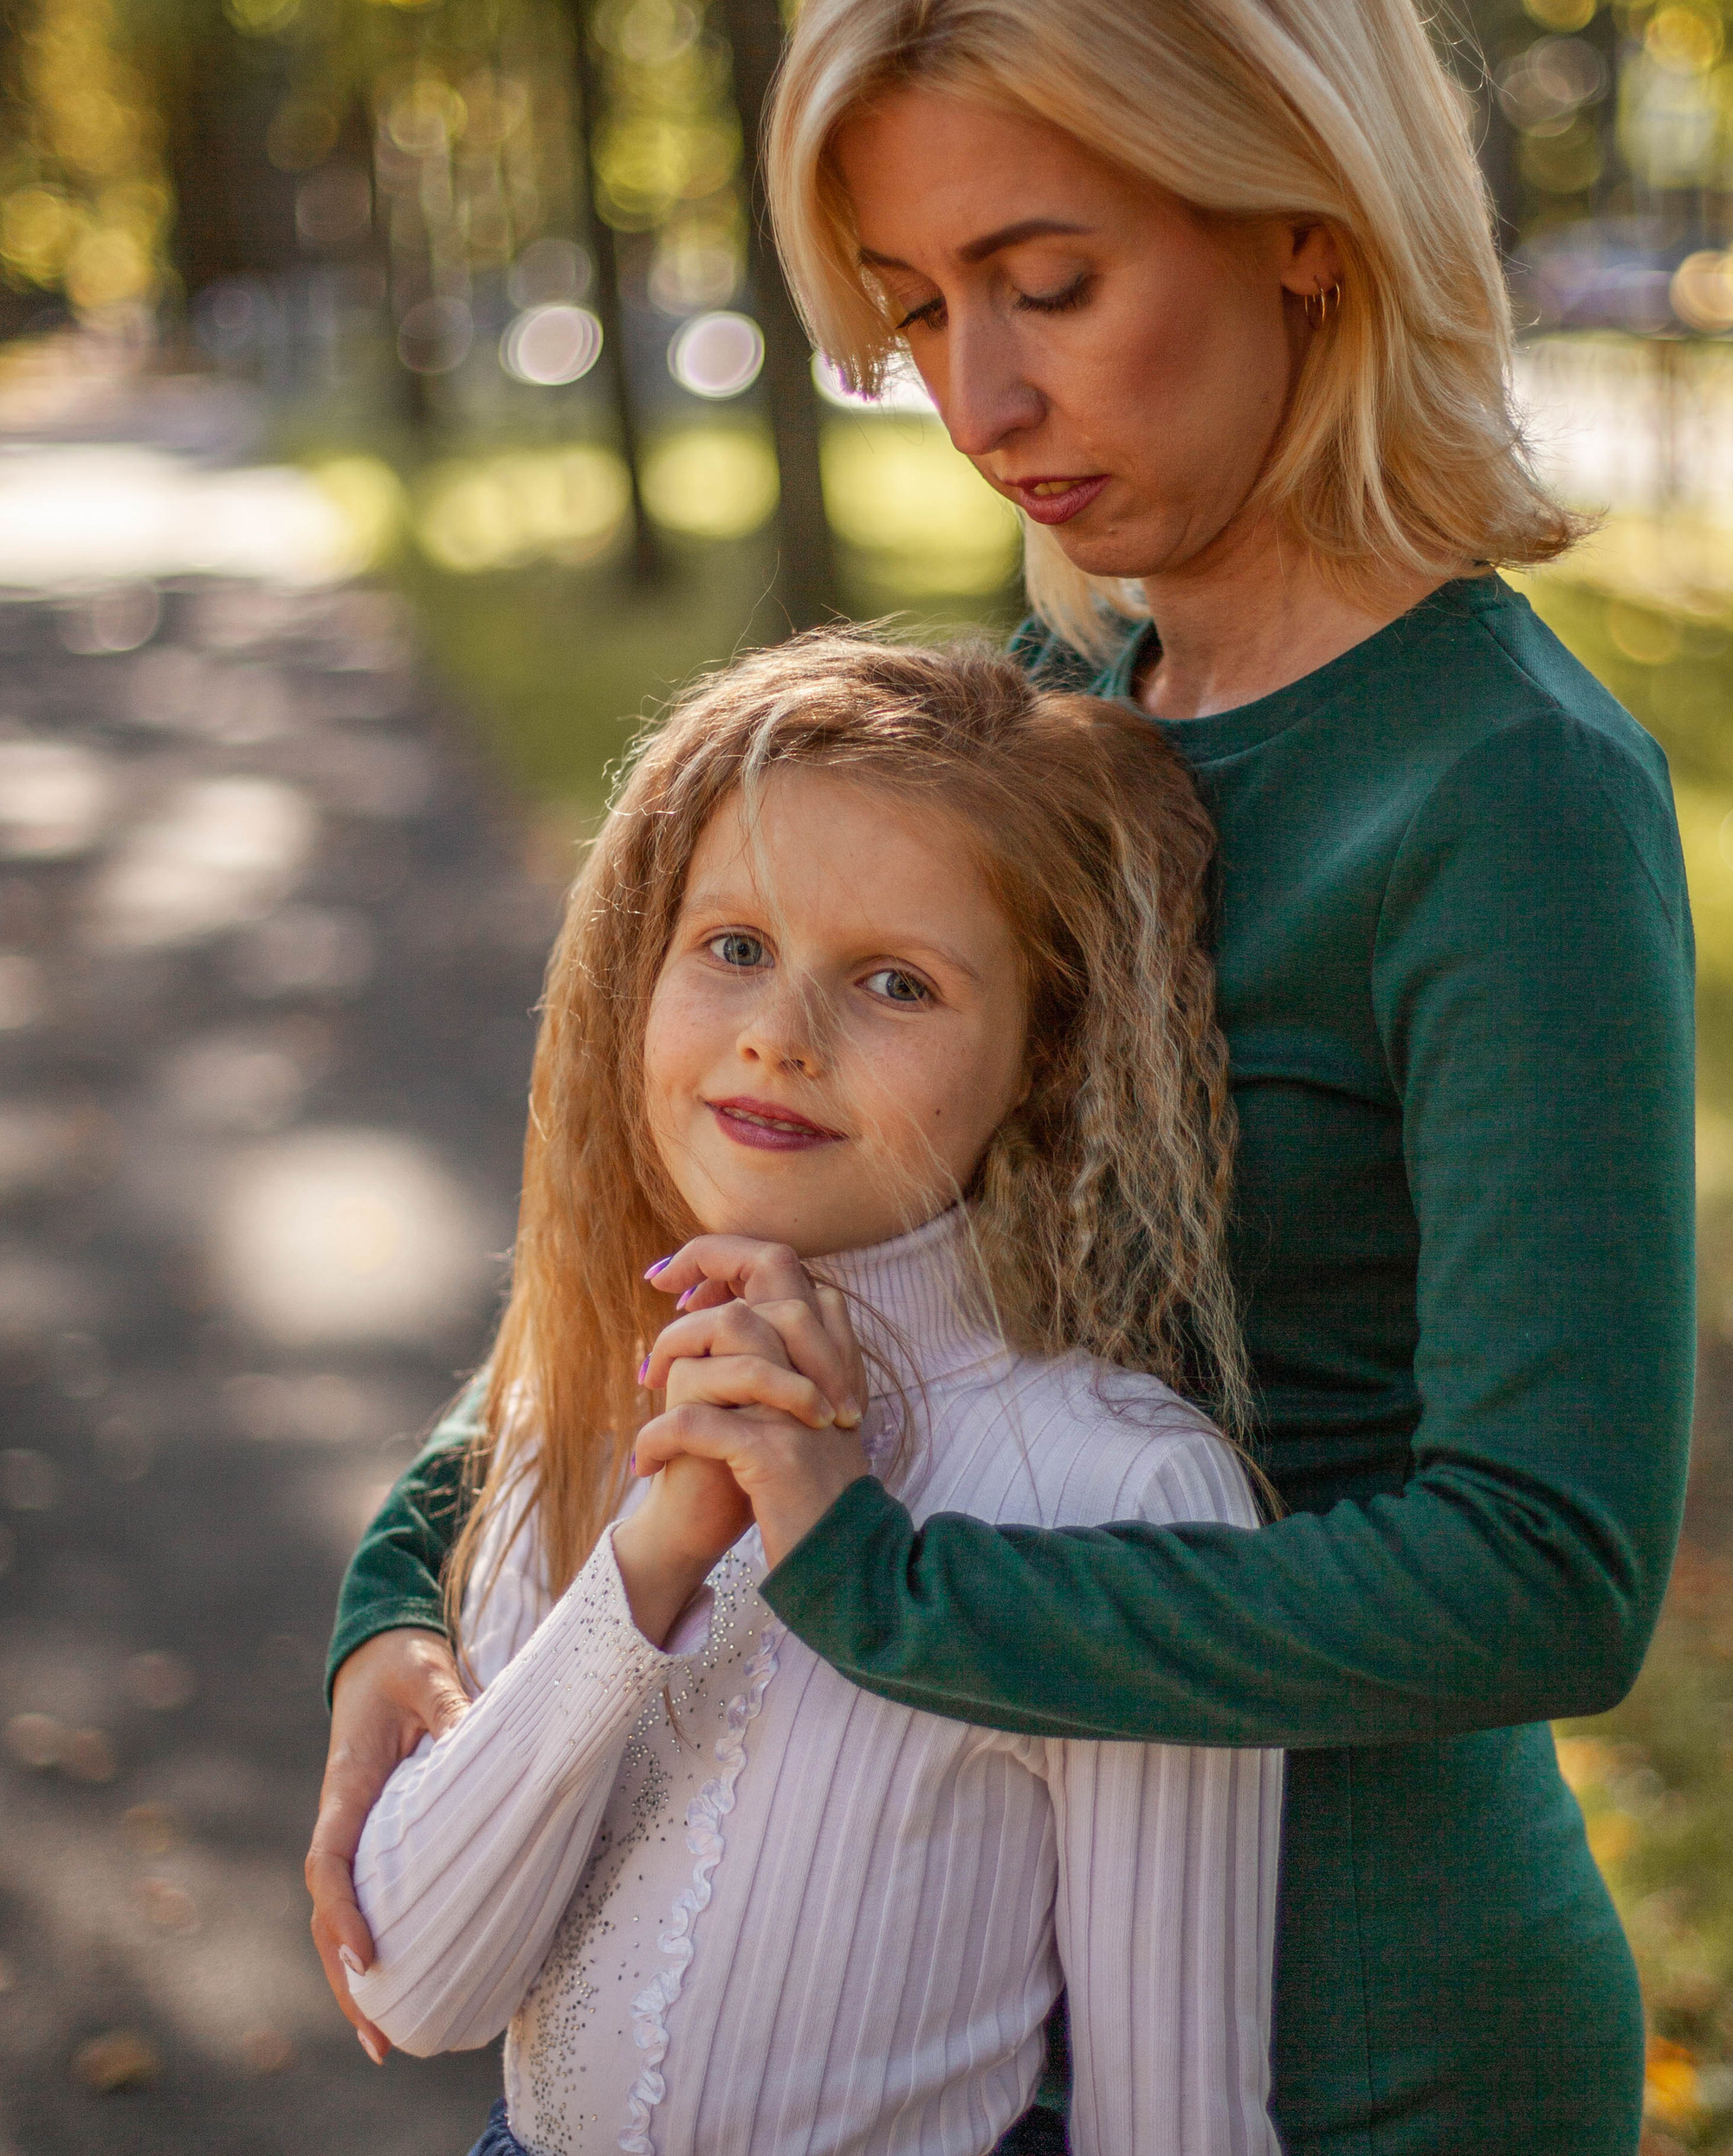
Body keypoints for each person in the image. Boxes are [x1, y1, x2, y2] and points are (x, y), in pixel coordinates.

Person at [310, 0, 1697, 2149]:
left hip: (1347, 2032)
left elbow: (1548, 1567)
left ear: (1301, 229)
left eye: (1043, 283)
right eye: (914, 304)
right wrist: (407, 1602)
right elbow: (734, 1239)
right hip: (931, 2006)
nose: (977, 402)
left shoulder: (1501, 791)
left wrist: (880, 1583)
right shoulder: (1042, 735)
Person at [339, 632, 1280, 2155]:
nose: (782, 1032)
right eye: (732, 947)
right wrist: (654, 1552)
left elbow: (1177, 2113)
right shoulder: (577, 1399)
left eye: (896, 983)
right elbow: (422, 1985)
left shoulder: (1119, 1490)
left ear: (1042, 1060)